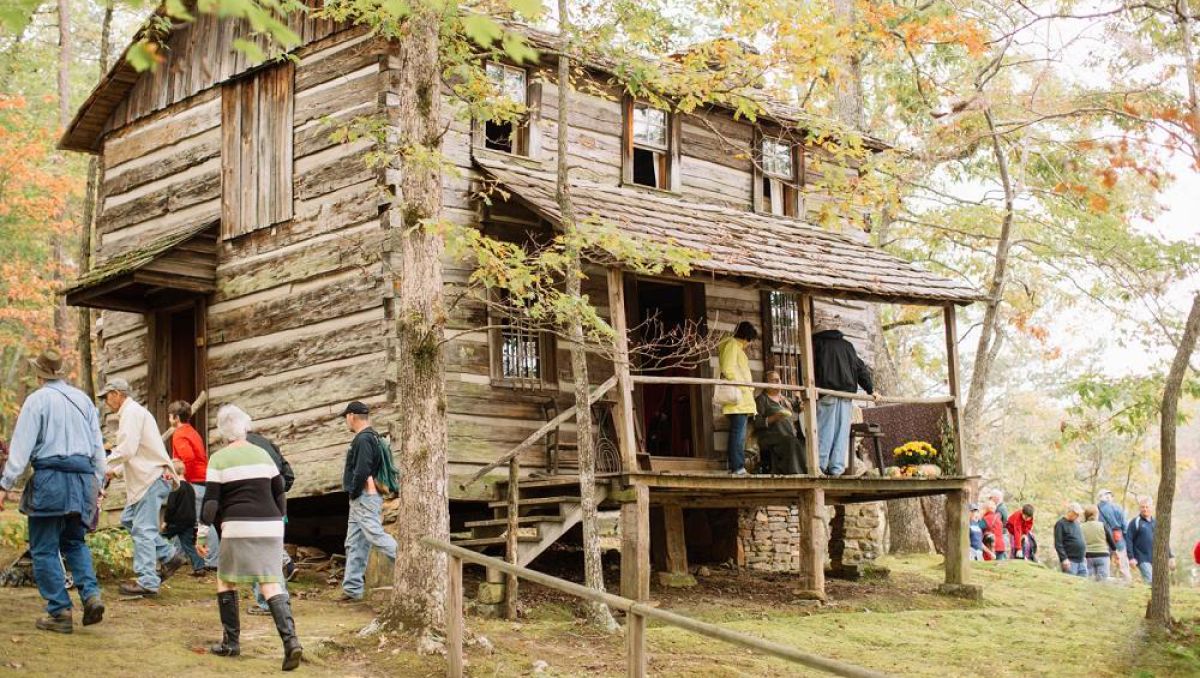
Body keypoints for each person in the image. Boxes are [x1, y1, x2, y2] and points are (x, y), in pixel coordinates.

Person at [0, 349, 106, 633]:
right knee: (74, 542)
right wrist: (100, 483)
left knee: (44, 547)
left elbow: (21, 450)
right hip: (83, 479)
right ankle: (91, 595)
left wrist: (4, 485)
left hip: (51, 480)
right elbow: (98, 448)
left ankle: (59, 611)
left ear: (39, 374)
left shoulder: (36, 401)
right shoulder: (84, 401)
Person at [203, 405, 301, 671]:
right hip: (271, 524)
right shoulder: (263, 454)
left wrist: (204, 531)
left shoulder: (218, 459)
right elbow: (280, 492)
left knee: (225, 581)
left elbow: (211, 503)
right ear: (245, 427)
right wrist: (279, 520)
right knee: (270, 582)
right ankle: (291, 642)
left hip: (238, 525)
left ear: (222, 431)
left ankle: (231, 643)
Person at [98, 377, 185, 597]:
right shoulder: (131, 414)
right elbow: (136, 451)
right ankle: (168, 554)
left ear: (117, 394)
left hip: (150, 478)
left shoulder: (132, 413)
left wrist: (101, 464)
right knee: (129, 520)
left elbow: (127, 449)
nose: (106, 402)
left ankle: (147, 580)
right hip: (148, 477)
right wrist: (115, 470)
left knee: (143, 530)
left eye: (107, 396)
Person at [340, 401, 398, 602]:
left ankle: (409, 562)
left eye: (346, 417)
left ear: (352, 416)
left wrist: (354, 491)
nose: (346, 421)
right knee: (354, 543)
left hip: (363, 496)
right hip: (362, 498)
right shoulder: (372, 436)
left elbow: (363, 469)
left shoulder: (363, 439)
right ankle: (352, 590)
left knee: (375, 535)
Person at [811, 315, 878, 476]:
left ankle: (819, 467)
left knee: (824, 431)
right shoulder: (847, 346)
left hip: (828, 392)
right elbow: (860, 368)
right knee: (841, 433)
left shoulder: (817, 344)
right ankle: (837, 469)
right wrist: (870, 389)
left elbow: (809, 368)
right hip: (846, 395)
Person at [246, 427, 297, 616]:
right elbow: (289, 475)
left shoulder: (243, 446)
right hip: (276, 504)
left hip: (255, 505)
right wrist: (278, 490)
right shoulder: (270, 445)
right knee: (270, 551)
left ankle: (269, 603)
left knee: (257, 553)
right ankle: (279, 600)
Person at [169, 400, 215, 572]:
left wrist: (180, 476)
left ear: (175, 417)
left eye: (170, 415)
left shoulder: (179, 433)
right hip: (202, 478)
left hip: (193, 481)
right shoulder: (192, 431)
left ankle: (212, 559)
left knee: (200, 521)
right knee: (186, 520)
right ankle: (176, 556)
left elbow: (187, 457)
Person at [718, 321, 758, 476]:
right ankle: (737, 467)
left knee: (739, 434)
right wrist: (743, 386)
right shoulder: (732, 345)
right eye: (750, 340)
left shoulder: (736, 347)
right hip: (738, 398)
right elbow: (728, 369)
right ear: (747, 337)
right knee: (738, 435)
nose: (750, 344)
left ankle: (737, 466)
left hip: (742, 399)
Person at [752, 371, 805, 475]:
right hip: (770, 437)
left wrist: (801, 404)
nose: (778, 381)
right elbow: (757, 423)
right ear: (766, 383)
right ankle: (796, 474)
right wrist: (774, 418)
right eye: (774, 380)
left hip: (788, 435)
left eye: (779, 379)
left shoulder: (785, 399)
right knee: (791, 442)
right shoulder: (761, 400)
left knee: (802, 442)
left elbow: (798, 408)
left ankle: (806, 472)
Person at [161, 459, 203, 575]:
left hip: (176, 522)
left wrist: (166, 521)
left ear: (172, 472)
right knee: (189, 545)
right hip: (189, 521)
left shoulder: (176, 487)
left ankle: (167, 562)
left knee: (160, 538)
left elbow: (171, 506)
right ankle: (199, 568)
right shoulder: (190, 487)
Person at [1126, 496, 1173, 584]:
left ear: (1151, 507)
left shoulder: (1156, 523)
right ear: (1139, 508)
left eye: (1147, 507)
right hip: (1141, 557)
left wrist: (1170, 556)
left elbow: (1164, 541)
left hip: (1156, 558)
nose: (1145, 509)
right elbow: (1128, 540)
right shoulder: (1135, 522)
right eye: (1142, 507)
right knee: (1150, 580)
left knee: (1159, 582)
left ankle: (1151, 597)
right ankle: (1148, 597)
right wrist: (1131, 557)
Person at [1097, 489, 1132, 583]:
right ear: (1109, 497)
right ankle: (1127, 580)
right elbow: (1124, 525)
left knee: (1105, 558)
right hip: (1117, 536)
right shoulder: (1117, 508)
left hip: (1102, 537)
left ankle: (1103, 579)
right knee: (1122, 559)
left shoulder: (1096, 509)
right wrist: (1125, 535)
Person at [1081, 505, 1115, 582]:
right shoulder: (1103, 525)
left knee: (1090, 580)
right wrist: (1114, 550)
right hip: (1102, 556)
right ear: (1096, 515)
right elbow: (1111, 542)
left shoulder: (1081, 526)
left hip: (1088, 556)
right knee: (1102, 582)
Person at [1054, 503, 1088, 577]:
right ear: (1070, 512)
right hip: (1070, 561)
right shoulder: (1060, 524)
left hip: (1082, 561)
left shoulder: (1077, 523)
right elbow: (1058, 544)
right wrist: (1064, 559)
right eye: (1076, 514)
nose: (1078, 516)